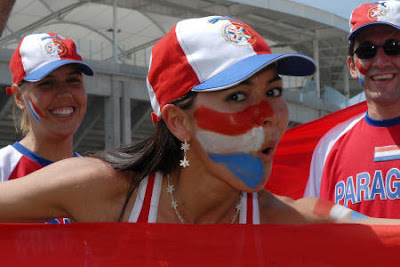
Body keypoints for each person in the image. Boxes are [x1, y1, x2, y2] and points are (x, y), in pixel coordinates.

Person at [0, 15, 397, 225]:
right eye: (237, 96)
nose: (268, 117)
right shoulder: (101, 188)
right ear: (177, 122)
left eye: (273, 92)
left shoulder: (283, 218)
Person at [304, 1, 400, 218]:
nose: (380, 61)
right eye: (367, 51)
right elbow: (313, 231)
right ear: (352, 66)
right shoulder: (330, 146)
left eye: (394, 47)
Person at [0, 32, 94, 223]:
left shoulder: (96, 177)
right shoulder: (3, 168)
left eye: (73, 80)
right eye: (47, 83)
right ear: (19, 97)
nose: (64, 93)